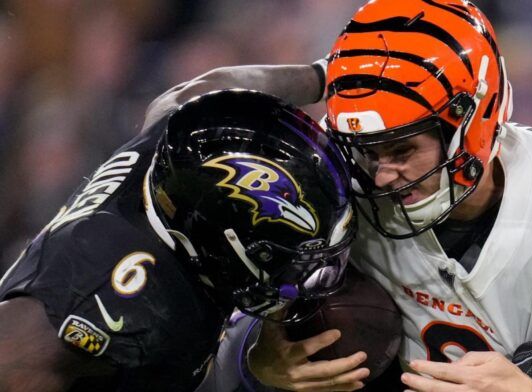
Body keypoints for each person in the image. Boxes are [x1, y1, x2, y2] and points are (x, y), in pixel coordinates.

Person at [244, 1, 532, 391]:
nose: (381, 176)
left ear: (473, 124)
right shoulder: (333, 188)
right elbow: (217, 342)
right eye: (367, 151)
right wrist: (259, 362)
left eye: (402, 149)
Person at [0, 83, 358, 391]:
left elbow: (201, 89)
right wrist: (252, 367)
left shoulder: (177, 148)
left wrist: (322, 74)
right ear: (224, 239)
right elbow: (13, 360)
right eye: (284, 254)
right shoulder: (123, 305)